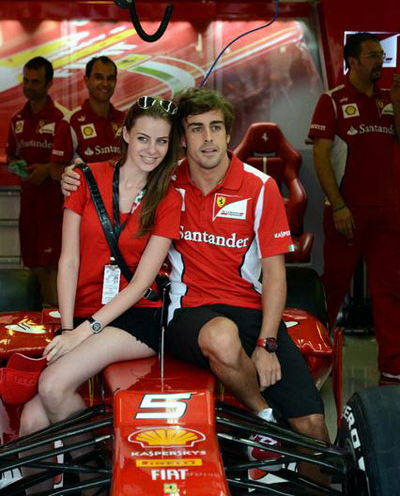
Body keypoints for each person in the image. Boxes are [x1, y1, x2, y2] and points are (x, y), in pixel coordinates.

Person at [62, 88, 330, 479]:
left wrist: (267, 343)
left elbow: (275, 273)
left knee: (313, 429)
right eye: (196, 128)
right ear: (183, 138)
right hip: (184, 312)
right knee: (221, 336)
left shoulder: (260, 187)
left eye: (216, 128)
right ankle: (266, 425)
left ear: (228, 134)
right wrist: (72, 178)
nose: (207, 138)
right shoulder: (164, 181)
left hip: (249, 310)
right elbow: (113, 178)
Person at [19, 96, 181, 493]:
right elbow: (69, 262)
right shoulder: (84, 178)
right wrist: (68, 328)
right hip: (84, 314)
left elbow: (141, 283)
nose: (152, 150)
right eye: (143, 138)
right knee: (31, 421)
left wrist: (83, 332)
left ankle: (95, 482)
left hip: (137, 315)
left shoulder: (168, 196)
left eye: (161, 141)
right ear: (125, 135)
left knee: (53, 386)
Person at [308, 32, 400, 385]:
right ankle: (312, 361)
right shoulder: (332, 100)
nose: (380, 61)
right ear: (353, 61)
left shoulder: (389, 99)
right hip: (347, 212)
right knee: (332, 289)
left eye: (381, 55)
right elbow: (321, 157)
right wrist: (338, 206)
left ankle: (392, 370)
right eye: (373, 55)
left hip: (388, 213)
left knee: (389, 293)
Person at [6, 56, 67, 305]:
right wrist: (17, 167)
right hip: (28, 205)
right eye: (26, 81)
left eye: (36, 81)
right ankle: (35, 320)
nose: (29, 86)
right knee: (33, 266)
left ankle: (56, 320)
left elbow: (65, 164)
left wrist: (47, 169)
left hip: (54, 207)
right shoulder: (17, 120)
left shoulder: (60, 119)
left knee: (53, 267)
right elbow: (11, 156)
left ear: (49, 84)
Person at [50, 56, 124, 179]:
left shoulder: (125, 120)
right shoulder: (70, 122)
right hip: (88, 192)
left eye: (110, 78)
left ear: (115, 82)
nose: (105, 84)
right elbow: (56, 171)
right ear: (87, 80)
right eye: (98, 77)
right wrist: (91, 178)